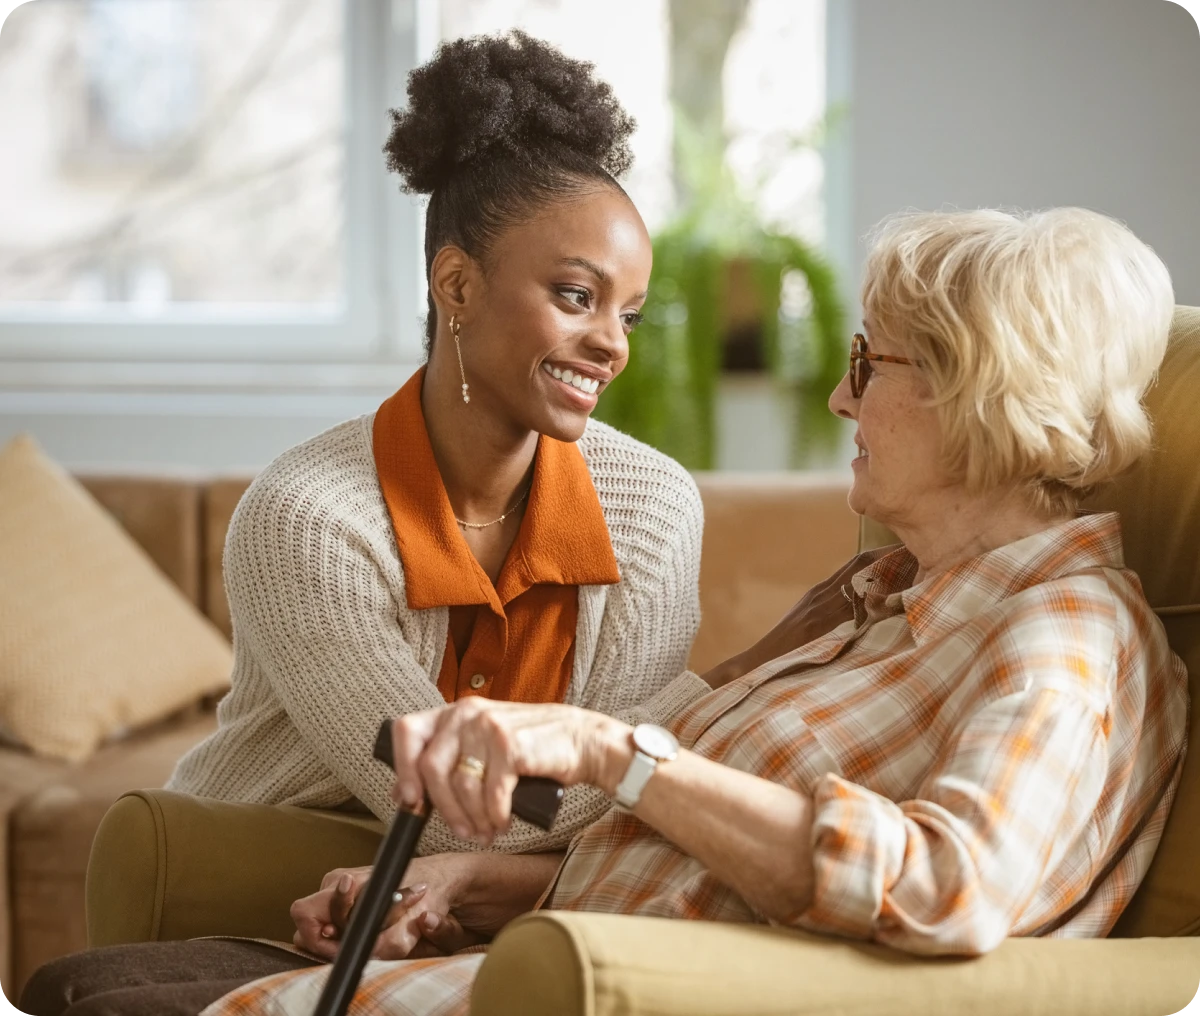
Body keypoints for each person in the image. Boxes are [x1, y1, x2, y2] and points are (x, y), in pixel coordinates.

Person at [193, 204, 1186, 1014]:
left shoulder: (1062, 640)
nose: (840, 404)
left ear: (978, 394)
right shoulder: (887, 606)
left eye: (867, 366)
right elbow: (713, 885)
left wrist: (611, 750)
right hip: (539, 964)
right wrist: (474, 886)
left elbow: (944, 886)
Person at [19, 30, 721, 1016]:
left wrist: (653, 753)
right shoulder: (309, 514)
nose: (611, 343)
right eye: (576, 296)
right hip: (275, 876)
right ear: (458, 285)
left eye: (630, 313)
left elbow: (612, 790)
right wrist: (689, 728)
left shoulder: (652, 506)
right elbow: (460, 809)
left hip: (501, 907)